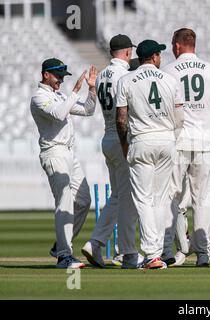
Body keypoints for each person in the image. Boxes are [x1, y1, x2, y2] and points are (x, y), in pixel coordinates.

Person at [116, 39, 184, 269]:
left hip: (141, 141)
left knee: (143, 199)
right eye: (159, 55)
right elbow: (179, 118)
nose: (161, 58)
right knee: (159, 199)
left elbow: (121, 119)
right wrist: (171, 138)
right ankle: (157, 252)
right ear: (154, 57)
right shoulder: (170, 79)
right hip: (166, 140)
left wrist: (125, 145)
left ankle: (151, 254)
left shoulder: (126, 80)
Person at [162, 28, 210, 267]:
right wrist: (207, 115)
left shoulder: (168, 71)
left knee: (171, 196)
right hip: (205, 140)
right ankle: (203, 254)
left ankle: (165, 250)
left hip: (178, 141)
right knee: (202, 199)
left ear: (177, 46)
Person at [82, 34, 143, 269]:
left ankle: (96, 243)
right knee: (127, 199)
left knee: (117, 197)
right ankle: (128, 253)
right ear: (127, 52)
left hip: (106, 138)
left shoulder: (102, 76)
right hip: (121, 139)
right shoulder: (125, 76)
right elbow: (127, 114)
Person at [30, 58, 97, 268]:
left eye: (63, 76)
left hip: (70, 153)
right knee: (65, 200)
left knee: (84, 200)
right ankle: (64, 255)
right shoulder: (38, 97)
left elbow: (88, 110)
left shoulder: (59, 95)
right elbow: (59, 114)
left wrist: (92, 90)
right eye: (58, 75)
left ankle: (60, 243)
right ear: (45, 75)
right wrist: (76, 90)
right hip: (54, 152)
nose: (61, 80)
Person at [172, 119, 210, 266]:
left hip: (209, 138)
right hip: (183, 140)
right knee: (179, 199)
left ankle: (206, 250)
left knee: (206, 199)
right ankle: (183, 248)